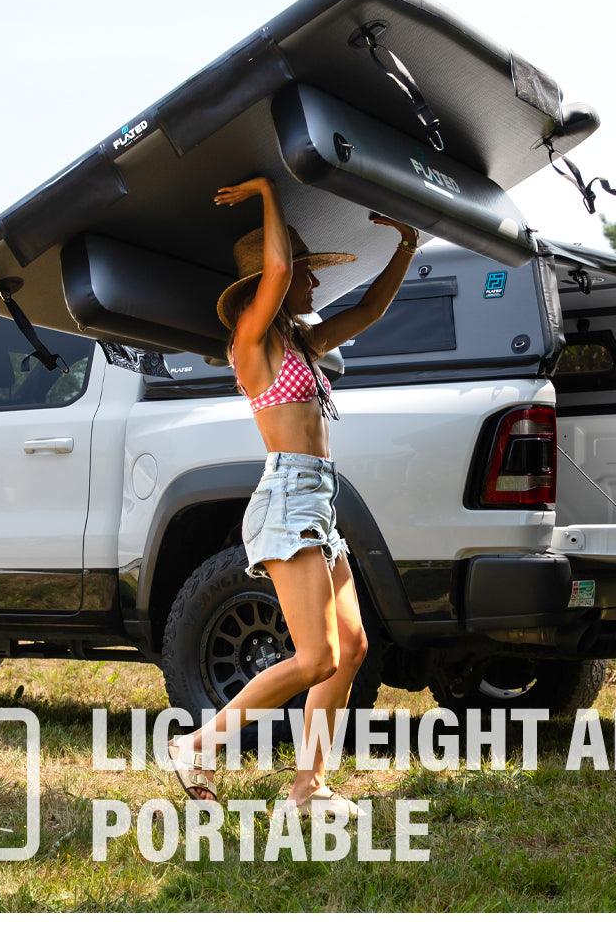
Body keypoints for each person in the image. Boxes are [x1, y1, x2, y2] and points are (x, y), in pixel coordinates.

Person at [167, 175, 419, 818]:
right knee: (315, 657)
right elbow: (277, 268)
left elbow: (366, 313)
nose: (310, 283)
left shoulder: (304, 342)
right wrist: (263, 194)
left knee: (352, 649)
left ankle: (308, 788)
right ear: (267, 288)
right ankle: (198, 744)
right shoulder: (251, 343)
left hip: (318, 500)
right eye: (305, 274)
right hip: (286, 498)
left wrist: (407, 248)